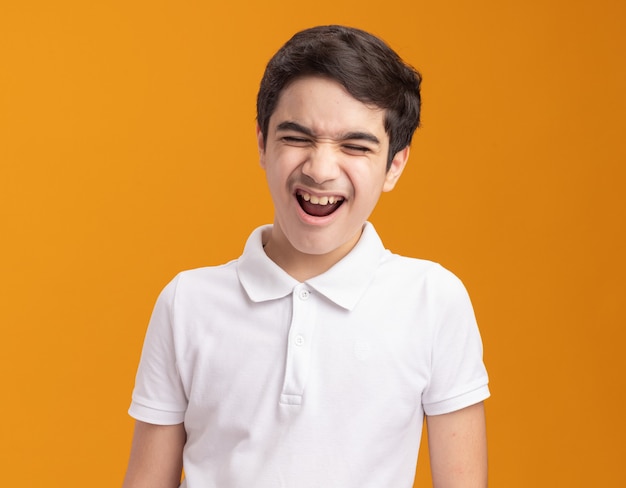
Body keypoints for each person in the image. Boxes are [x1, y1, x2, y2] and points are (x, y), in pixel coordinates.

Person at [123, 25, 490, 488]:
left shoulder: (434, 301)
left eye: (355, 146)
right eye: (297, 138)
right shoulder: (186, 303)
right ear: (261, 142)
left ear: (394, 164)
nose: (319, 169)